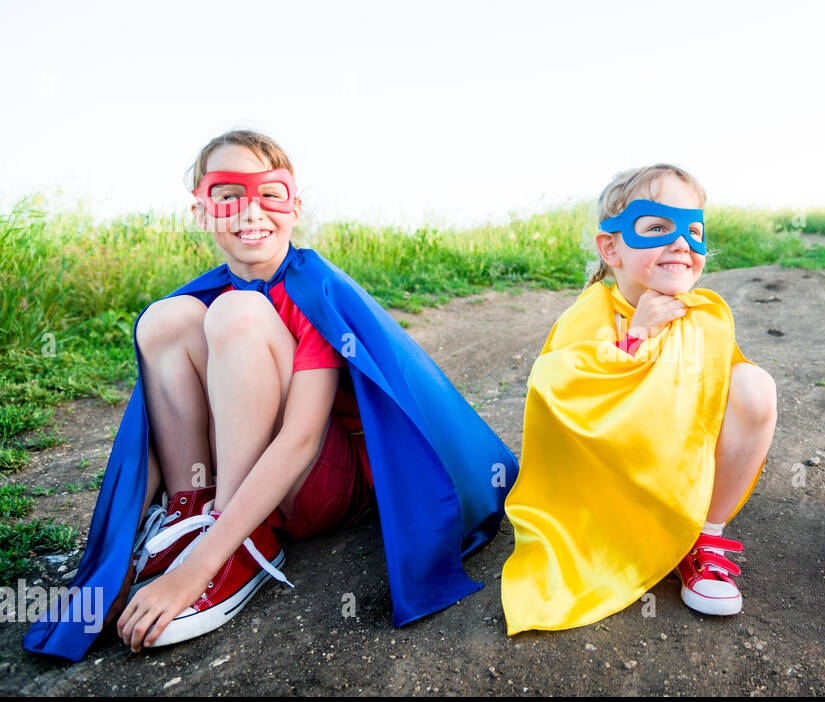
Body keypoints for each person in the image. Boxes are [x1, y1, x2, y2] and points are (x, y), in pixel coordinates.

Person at [24, 130, 517, 660]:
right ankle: (193, 512)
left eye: (271, 193)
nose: (250, 210)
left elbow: (302, 439)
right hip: (241, 469)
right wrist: (112, 560)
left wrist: (195, 570)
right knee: (165, 320)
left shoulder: (313, 289)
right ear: (201, 211)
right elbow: (150, 435)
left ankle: (234, 544)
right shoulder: (206, 292)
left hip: (320, 480)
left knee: (241, 313)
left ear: (295, 206)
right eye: (228, 193)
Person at [501, 164, 777, 633]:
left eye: (693, 230)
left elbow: (721, 402)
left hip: (678, 469)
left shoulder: (704, 315)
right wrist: (637, 337)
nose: (682, 244)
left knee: (754, 385)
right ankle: (633, 538)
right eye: (655, 228)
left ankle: (704, 538)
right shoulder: (592, 314)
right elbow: (559, 391)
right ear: (611, 247)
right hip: (611, 486)